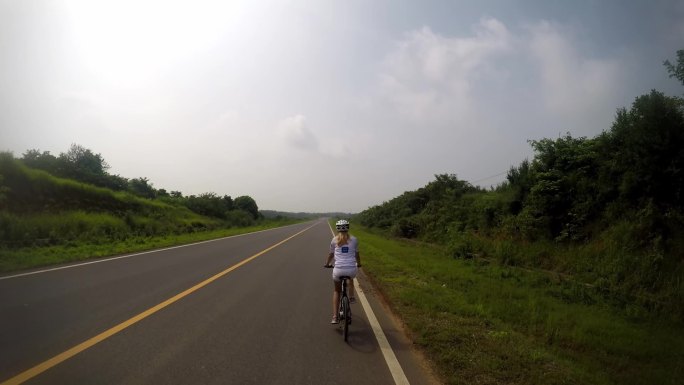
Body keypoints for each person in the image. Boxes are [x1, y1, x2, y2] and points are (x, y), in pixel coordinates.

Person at [325, 219, 361, 324]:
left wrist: (327, 264)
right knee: (351, 278)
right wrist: (359, 264)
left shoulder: (334, 240)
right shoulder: (354, 239)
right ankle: (351, 297)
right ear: (348, 228)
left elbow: (331, 254)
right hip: (351, 269)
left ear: (337, 229)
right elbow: (357, 254)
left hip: (338, 270)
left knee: (337, 291)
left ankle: (335, 317)